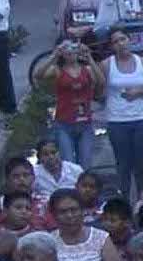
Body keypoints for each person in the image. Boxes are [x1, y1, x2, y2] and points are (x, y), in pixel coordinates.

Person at [101, 28, 143, 200]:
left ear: (129, 40)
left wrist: (139, 92)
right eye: (116, 41)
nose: (120, 44)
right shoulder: (106, 65)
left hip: (141, 118)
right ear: (112, 46)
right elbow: (99, 91)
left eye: (123, 39)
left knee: (142, 161)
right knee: (123, 163)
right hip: (117, 120)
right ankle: (124, 199)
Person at [33, 39, 103, 167]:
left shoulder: (86, 69)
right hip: (64, 123)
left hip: (85, 123)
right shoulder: (58, 70)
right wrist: (54, 55)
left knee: (86, 163)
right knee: (68, 164)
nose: (70, 53)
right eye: (67, 51)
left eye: (73, 50)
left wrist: (89, 58)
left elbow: (100, 80)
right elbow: (38, 75)